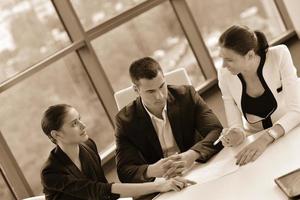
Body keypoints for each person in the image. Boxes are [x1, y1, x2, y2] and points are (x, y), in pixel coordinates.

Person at [40, 104, 195, 200]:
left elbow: (104, 189)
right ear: (56, 134)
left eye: (79, 119)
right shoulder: (50, 172)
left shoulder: (88, 145)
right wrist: (159, 186)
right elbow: (100, 191)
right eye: (74, 123)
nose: (83, 125)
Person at [115, 57, 223, 183]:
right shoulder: (125, 120)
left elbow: (216, 131)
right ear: (136, 90)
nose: (160, 96)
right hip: (160, 183)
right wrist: (153, 170)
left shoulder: (187, 95)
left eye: (161, 86)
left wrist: (191, 155)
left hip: (197, 169)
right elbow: (124, 171)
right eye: (150, 91)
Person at [217, 25, 300, 166]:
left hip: (291, 132)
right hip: (258, 144)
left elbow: (297, 110)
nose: (224, 65)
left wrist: (265, 139)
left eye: (229, 60)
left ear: (250, 55)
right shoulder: (225, 75)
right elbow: (236, 125)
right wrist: (235, 134)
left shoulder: (279, 55)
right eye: (222, 59)